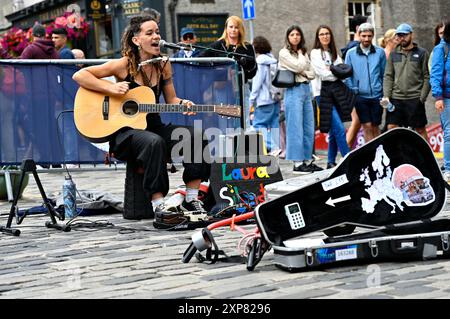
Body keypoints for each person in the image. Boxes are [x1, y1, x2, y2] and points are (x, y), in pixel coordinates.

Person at [72, 15, 211, 214]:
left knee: (195, 136)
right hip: (124, 134)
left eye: (157, 32)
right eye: (150, 33)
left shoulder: (163, 65)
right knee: (153, 142)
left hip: (153, 126)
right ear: (136, 40)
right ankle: (159, 204)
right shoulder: (123, 65)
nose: (156, 36)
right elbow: (80, 75)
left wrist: (184, 103)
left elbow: (172, 99)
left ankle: (191, 197)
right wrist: (109, 89)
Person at [200, 16, 257, 130]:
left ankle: (242, 145)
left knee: (243, 118)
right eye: (231, 27)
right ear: (226, 28)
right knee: (225, 120)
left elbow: (253, 69)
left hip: (241, 87)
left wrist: (241, 69)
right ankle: (227, 145)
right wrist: (218, 71)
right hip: (222, 88)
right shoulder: (218, 45)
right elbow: (202, 59)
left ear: (240, 29)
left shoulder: (247, 47)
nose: (233, 30)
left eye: (236, 27)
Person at [279, 25, 321, 173]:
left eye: (298, 34)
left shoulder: (303, 52)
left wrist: (304, 72)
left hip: (306, 90)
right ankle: (297, 163)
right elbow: (298, 67)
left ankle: (308, 160)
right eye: (292, 35)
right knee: (295, 128)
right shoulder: (284, 53)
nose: (295, 37)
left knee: (309, 127)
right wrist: (302, 65)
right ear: (288, 37)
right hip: (293, 90)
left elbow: (312, 73)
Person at [311, 25, 353, 169]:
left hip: (336, 94)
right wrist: (336, 72)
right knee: (339, 129)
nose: (325, 36)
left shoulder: (334, 53)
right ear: (318, 37)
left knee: (334, 130)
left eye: (327, 33)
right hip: (321, 94)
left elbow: (345, 72)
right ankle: (349, 160)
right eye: (322, 34)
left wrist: (333, 71)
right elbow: (323, 74)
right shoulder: (315, 53)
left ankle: (330, 161)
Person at [382, 23, 431, 140]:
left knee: (419, 129)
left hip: (415, 98)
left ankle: (426, 157)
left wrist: (422, 98)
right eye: (399, 35)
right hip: (396, 98)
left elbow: (427, 76)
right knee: (392, 127)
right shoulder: (393, 54)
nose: (402, 38)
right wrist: (387, 96)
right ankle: (396, 156)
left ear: (411, 35)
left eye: (404, 35)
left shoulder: (422, 53)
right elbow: (388, 76)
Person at [345, 23, 386, 142]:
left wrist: (383, 92)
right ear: (359, 35)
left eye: (369, 36)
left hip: (377, 96)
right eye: (363, 36)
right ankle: (371, 155)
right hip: (360, 97)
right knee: (366, 126)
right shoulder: (351, 53)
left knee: (375, 125)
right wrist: (353, 89)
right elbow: (347, 75)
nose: (366, 39)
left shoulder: (380, 53)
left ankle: (379, 152)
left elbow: (384, 74)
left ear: (373, 35)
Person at [249, 36, 280, 156]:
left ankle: (273, 147)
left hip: (264, 100)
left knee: (258, 125)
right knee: (274, 125)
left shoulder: (260, 62)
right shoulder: (273, 60)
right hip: (275, 98)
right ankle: (276, 149)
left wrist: (251, 100)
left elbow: (257, 84)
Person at [341, 14, 368, 150]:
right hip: (354, 90)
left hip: (358, 90)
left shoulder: (352, 46)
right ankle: (346, 153)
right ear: (358, 28)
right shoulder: (353, 48)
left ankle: (348, 152)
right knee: (357, 121)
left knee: (359, 122)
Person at [430, 21, 450, 179]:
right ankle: (448, 168)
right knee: (449, 133)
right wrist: (438, 97)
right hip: (446, 98)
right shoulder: (441, 49)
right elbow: (435, 74)